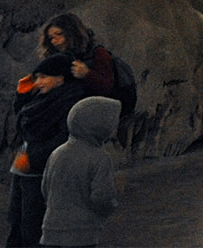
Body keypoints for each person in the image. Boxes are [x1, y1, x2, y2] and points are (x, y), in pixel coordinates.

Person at [7, 54, 87, 247]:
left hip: (44, 171)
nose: (38, 82)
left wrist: (32, 158)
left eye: (44, 77)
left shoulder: (71, 100)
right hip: (26, 168)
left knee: (34, 225)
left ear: (60, 78)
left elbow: (66, 138)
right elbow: (24, 117)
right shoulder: (43, 96)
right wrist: (22, 93)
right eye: (37, 77)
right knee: (18, 219)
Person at [40, 96, 121, 247]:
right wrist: (110, 208)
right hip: (82, 233)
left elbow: (45, 188)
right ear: (99, 125)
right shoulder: (100, 157)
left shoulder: (57, 153)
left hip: (51, 230)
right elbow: (102, 197)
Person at [38, 14, 114, 96]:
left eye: (59, 34)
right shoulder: (56, 61)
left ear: (71, 32)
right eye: (51, 38)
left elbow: (108, 87)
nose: (54, 41)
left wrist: (87, 74)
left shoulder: (97, 53)